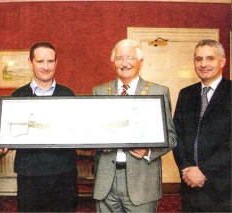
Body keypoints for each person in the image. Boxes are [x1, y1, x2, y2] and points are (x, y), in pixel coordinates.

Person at [92, 39, 177, 212]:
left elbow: (171, 137)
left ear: (141, 61)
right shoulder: (99, 91)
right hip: (106, 182)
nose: (124, 64)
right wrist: (98, 142)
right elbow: (92, 131)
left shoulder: (158, 92)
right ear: (113, 63)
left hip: (142, 182)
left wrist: (148, 151)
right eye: (119, 59)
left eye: (129, 58)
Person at [11, 42, 77, 212]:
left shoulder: (68, 95)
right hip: (29, 176)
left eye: (50, 61)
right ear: (30, 62)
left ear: (56, 63)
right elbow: (13, 132)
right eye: (40, 61)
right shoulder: (17, 97)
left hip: (64, 174)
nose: (46, 67)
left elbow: (76, 132)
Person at [173, 39, 231, 212]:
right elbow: (176, 135)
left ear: (222, 61)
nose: (203, 64)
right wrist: (186, 169)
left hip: (224, 188)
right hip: (190, 185)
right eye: (198, 59)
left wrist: (204, 171)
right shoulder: (186, 94)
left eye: (210, 58)